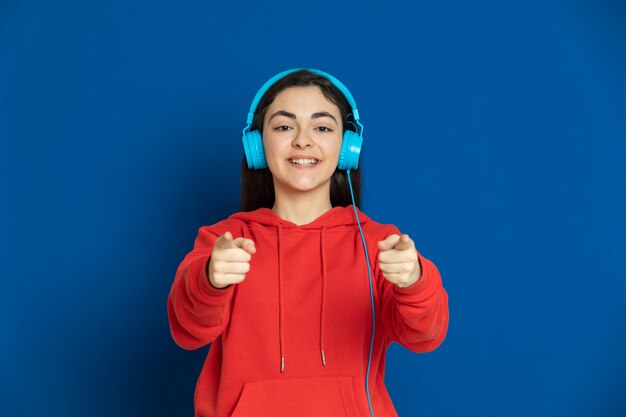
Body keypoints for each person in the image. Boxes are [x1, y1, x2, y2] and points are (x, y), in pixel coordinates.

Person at [167, 68, 449, 417]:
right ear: (257, 145)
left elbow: (426, 336)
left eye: (322, 127)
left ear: (348, 147)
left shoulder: (379, 245)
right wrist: (209, 280)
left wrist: (416, 282)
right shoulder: (226, 242)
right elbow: (187, 331)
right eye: (284, 126)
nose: (303, 140)